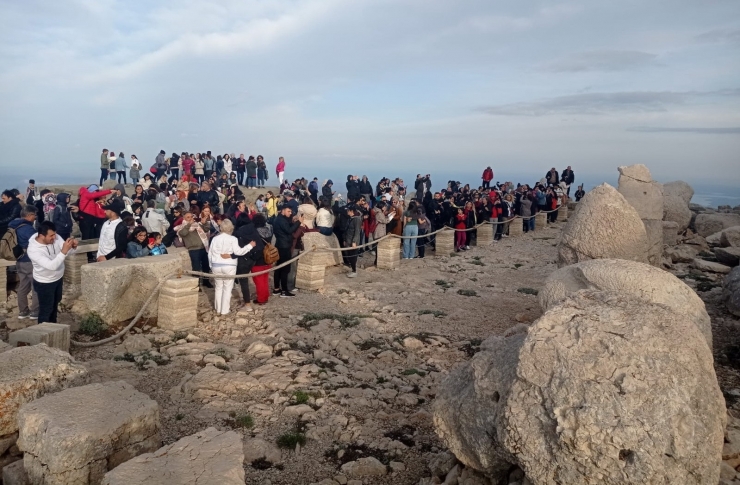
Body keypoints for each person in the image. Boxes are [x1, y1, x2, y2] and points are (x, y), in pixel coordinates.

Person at [27, 221, 77, 323]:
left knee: (55, 306)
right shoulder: (33, 250)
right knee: (46, 309)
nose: (54, 237)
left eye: (55, 234)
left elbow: (67, 252)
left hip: (58, 279)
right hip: (44, 283)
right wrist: (64, 250)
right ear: (41, 236)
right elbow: (52, 266)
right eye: (51, 236)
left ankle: (54, 328)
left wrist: (73, 247)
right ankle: (44, 333)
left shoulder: (56, 237)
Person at [209, 219, 254, 315]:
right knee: (227, 288)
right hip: (229, 265)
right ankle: (224, 310)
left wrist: (211, 266)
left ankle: (218, 308)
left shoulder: (215, 239)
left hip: (216, 265)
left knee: (218, 287)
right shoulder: (233, 239)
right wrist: (249, 246)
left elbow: (210, 253)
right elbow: (238, 252)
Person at [10, 205, 39, 320]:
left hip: (19, 260)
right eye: (34, 215)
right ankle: (35, 311)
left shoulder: (13, 226)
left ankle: (23, 311)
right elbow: (37, 242)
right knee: (36, 286)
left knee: (23, 286)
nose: (35, 217)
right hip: (29, 260)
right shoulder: (27, 228)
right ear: (29, 215)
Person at [233, 213, 264, 312]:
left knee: (244, 282)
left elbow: (236, 250)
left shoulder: (237, 232)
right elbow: (260, 246)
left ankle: (247, 304)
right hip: (253, 259)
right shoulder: (253, 230)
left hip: (243, 259)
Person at [177, 211, 213, 288]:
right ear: (184, 219)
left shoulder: (197, 225)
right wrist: (189, 224)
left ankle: (206, 281)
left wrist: (204, 223)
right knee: (196, 268)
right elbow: (183, 233)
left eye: (191, 216)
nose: (191, 218)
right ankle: (196, 284)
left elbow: (206, 229)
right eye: (188, 217)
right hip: (194, 250)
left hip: (203, 248)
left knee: (206, 266)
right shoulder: (182, 227)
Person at [273, 205, 302, 297]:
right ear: (283, 210)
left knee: (278, 268)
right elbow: (289, 230)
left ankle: (276, 289)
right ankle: (284, 291)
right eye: (288, 211)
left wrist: (294, 221)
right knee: (285, 269)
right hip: (284, 247)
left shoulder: (279, 219)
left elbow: (287, 226)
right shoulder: (281, 220)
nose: (290, 213)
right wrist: (299, 222)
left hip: (280, 245)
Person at [344, 205, 362, 277]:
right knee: (349, 255)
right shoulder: (350, 218)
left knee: (353, 256)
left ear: (351, 211)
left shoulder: (357, 219)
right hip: (348, 240)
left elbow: (357, 231)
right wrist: (345, 239)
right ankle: (352, 269)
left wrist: (354, 241)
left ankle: (354, 271)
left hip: (353, 241)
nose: (347, 212)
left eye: (348, 210)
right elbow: (347, 230)